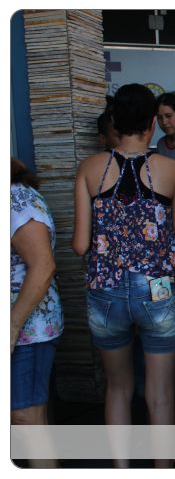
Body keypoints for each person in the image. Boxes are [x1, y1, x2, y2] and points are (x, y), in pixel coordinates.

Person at [72, 83, 175, 468]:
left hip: (105, 289)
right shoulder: (172, 170)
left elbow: (79, 245)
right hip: (157, 290)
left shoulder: (89, 170)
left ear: (114, 123)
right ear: (153, 123)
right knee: (160, 391)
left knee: (119, 387)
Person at [11, 158, 63, 468]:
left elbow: (43, 265)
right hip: (21, 328)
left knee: (25, 417)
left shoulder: (17, 197)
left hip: (27, 329)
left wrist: (12, 326)